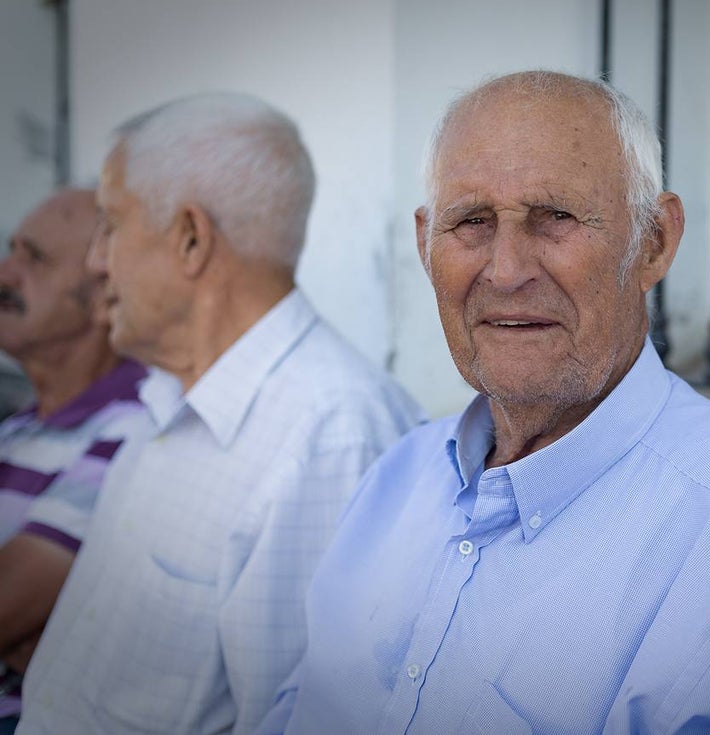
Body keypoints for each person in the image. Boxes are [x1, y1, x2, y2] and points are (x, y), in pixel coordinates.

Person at [259, 70, 710, 734]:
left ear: (654, 240)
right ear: (427, 245)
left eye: (556, 218)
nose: (507, 270)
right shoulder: (391, 483)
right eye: (471, 222)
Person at [18, 94, 423, 735]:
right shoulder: (167, 398)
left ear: (190, 239)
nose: (97, 262)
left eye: (111, 226)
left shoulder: (330, 436)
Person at [0, 189, 147, 734]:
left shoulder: (136, 424)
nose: (6, 273)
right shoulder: (19, 428)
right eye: (11, 249)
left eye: (34, 257)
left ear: (103, 288)